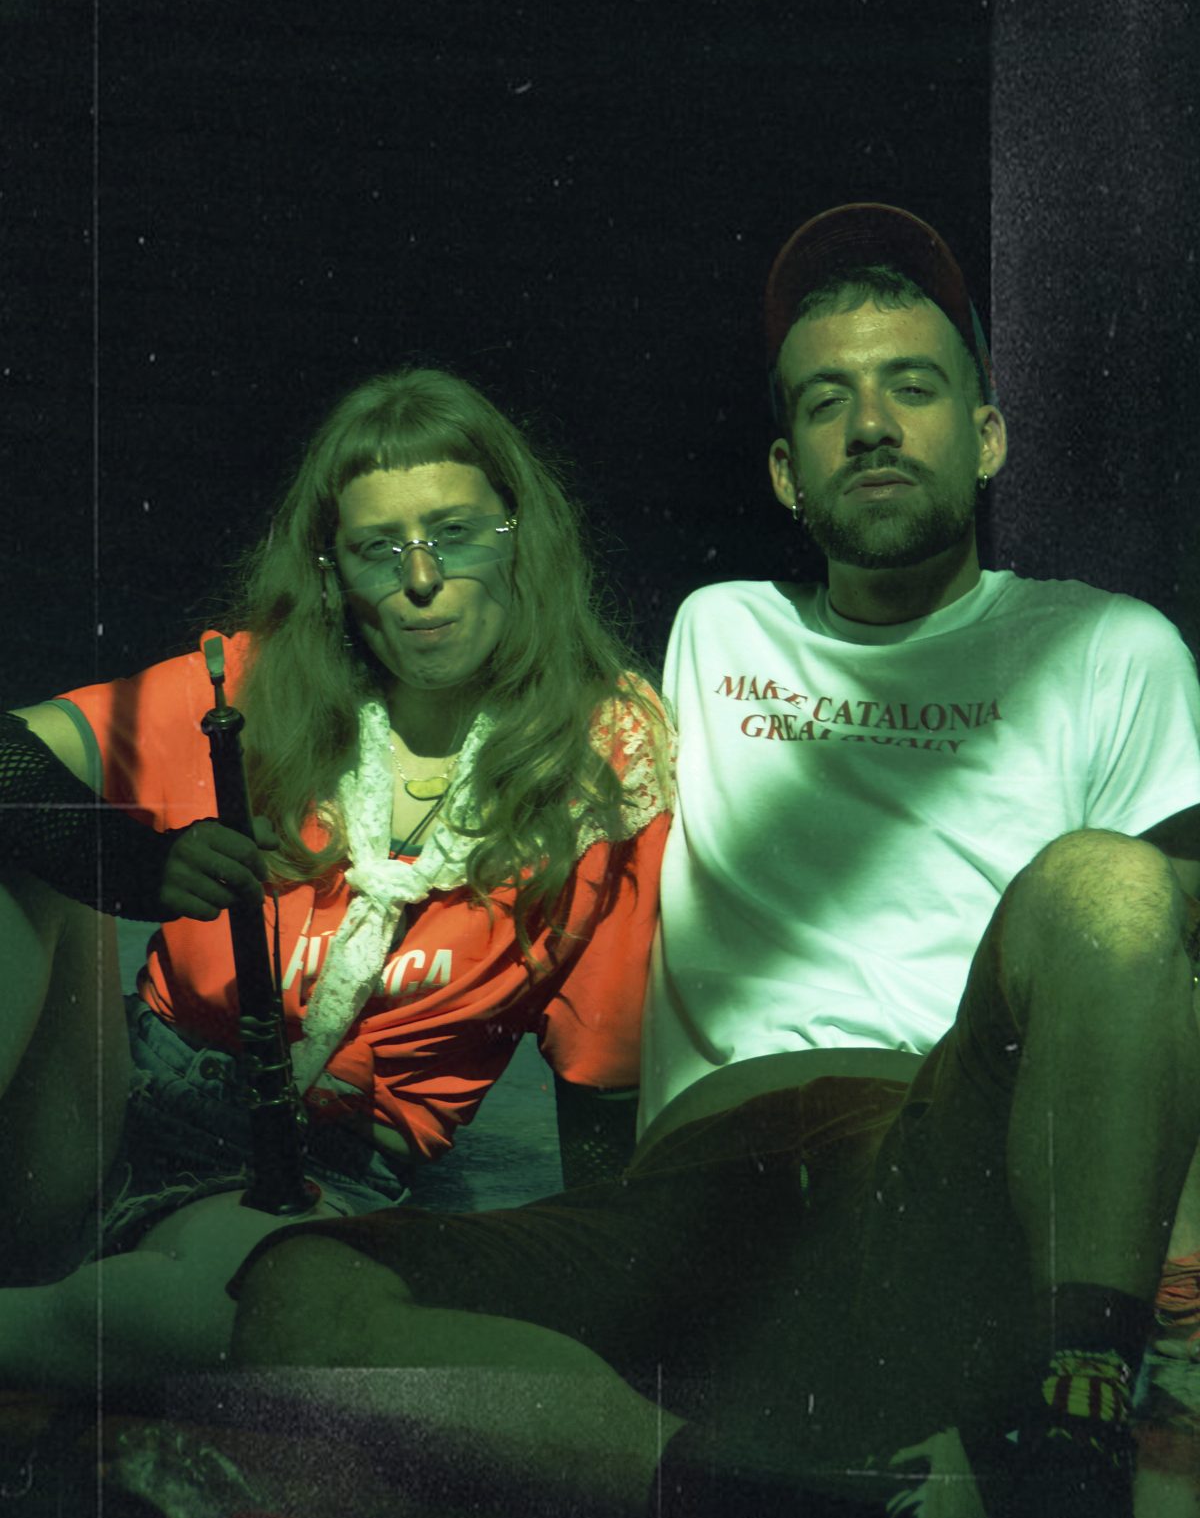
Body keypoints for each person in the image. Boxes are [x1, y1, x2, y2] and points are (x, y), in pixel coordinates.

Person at [225, 206, 1200, 1518]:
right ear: (787, 471)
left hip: (931, 1167)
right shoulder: (714, 634)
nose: (871, 425)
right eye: (827, 400)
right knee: (298, 1293)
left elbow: (1152, 974)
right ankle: (747, 1496)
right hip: (690, 1201)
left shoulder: (1107, 649)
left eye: (913, 387)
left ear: (987, 435)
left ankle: (1075, 1426)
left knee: (1110, 882)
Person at [0, 365, 671, 1387]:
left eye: (455, 533)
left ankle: (41, 1328)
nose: (420, 578)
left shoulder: (602, 762)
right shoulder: (259, 686)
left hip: (313, 1180)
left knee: (239, 1306)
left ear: (519, 539)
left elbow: (601, 1088)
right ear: (333, 574)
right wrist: (133, 866)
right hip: (105, 1110)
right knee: (20, 846)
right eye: (377, 548)